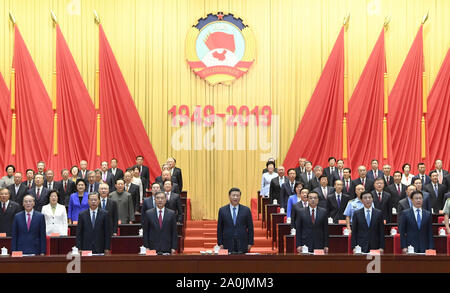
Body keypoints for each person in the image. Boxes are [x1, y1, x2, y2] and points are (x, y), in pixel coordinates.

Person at [217, 187, 254, 254]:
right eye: (233, 195)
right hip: (227, 242)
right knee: (228, 263)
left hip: (242, 242)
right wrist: (220, 243)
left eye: (237, 195)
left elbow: (250, 228)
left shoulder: (246, 210)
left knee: (242, 263)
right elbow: (219, 228)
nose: (235, 197)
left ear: (240, 197)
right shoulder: (222, 210)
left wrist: (250, 243)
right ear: (229, 196)